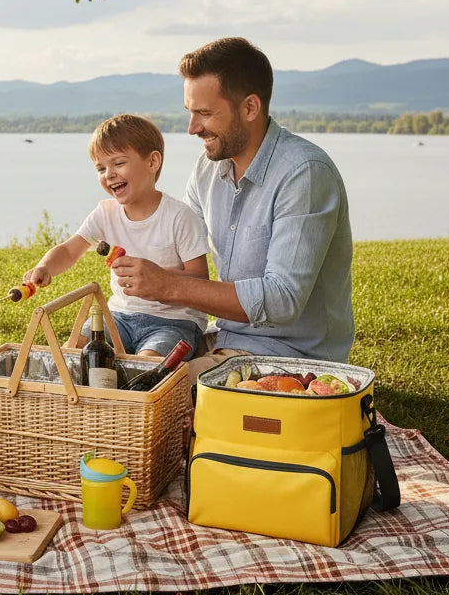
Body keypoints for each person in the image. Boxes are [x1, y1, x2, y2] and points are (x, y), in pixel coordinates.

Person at [110, 37, 354, 384]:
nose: (192, 128)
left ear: (250, 108)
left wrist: (166, 286)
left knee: (148, 390)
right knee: (103, 365)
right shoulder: (208, 170)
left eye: (205, 114)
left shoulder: (305, 173)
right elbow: (178, 263)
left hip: (290, 357)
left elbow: (283, 300)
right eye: (190, 113)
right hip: (226, 338)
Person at [24, 113, 209, 358]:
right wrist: (45, 266)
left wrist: (157, 276)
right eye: (101, 168)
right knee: (74, 351)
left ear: (152, 162)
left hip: (173, 322)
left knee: (148, 366)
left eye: (119, 163)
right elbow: (70, 250)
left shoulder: (180, 217)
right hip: (119, 317)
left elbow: (200, 279)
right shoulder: (105, 213)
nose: (108, 174)